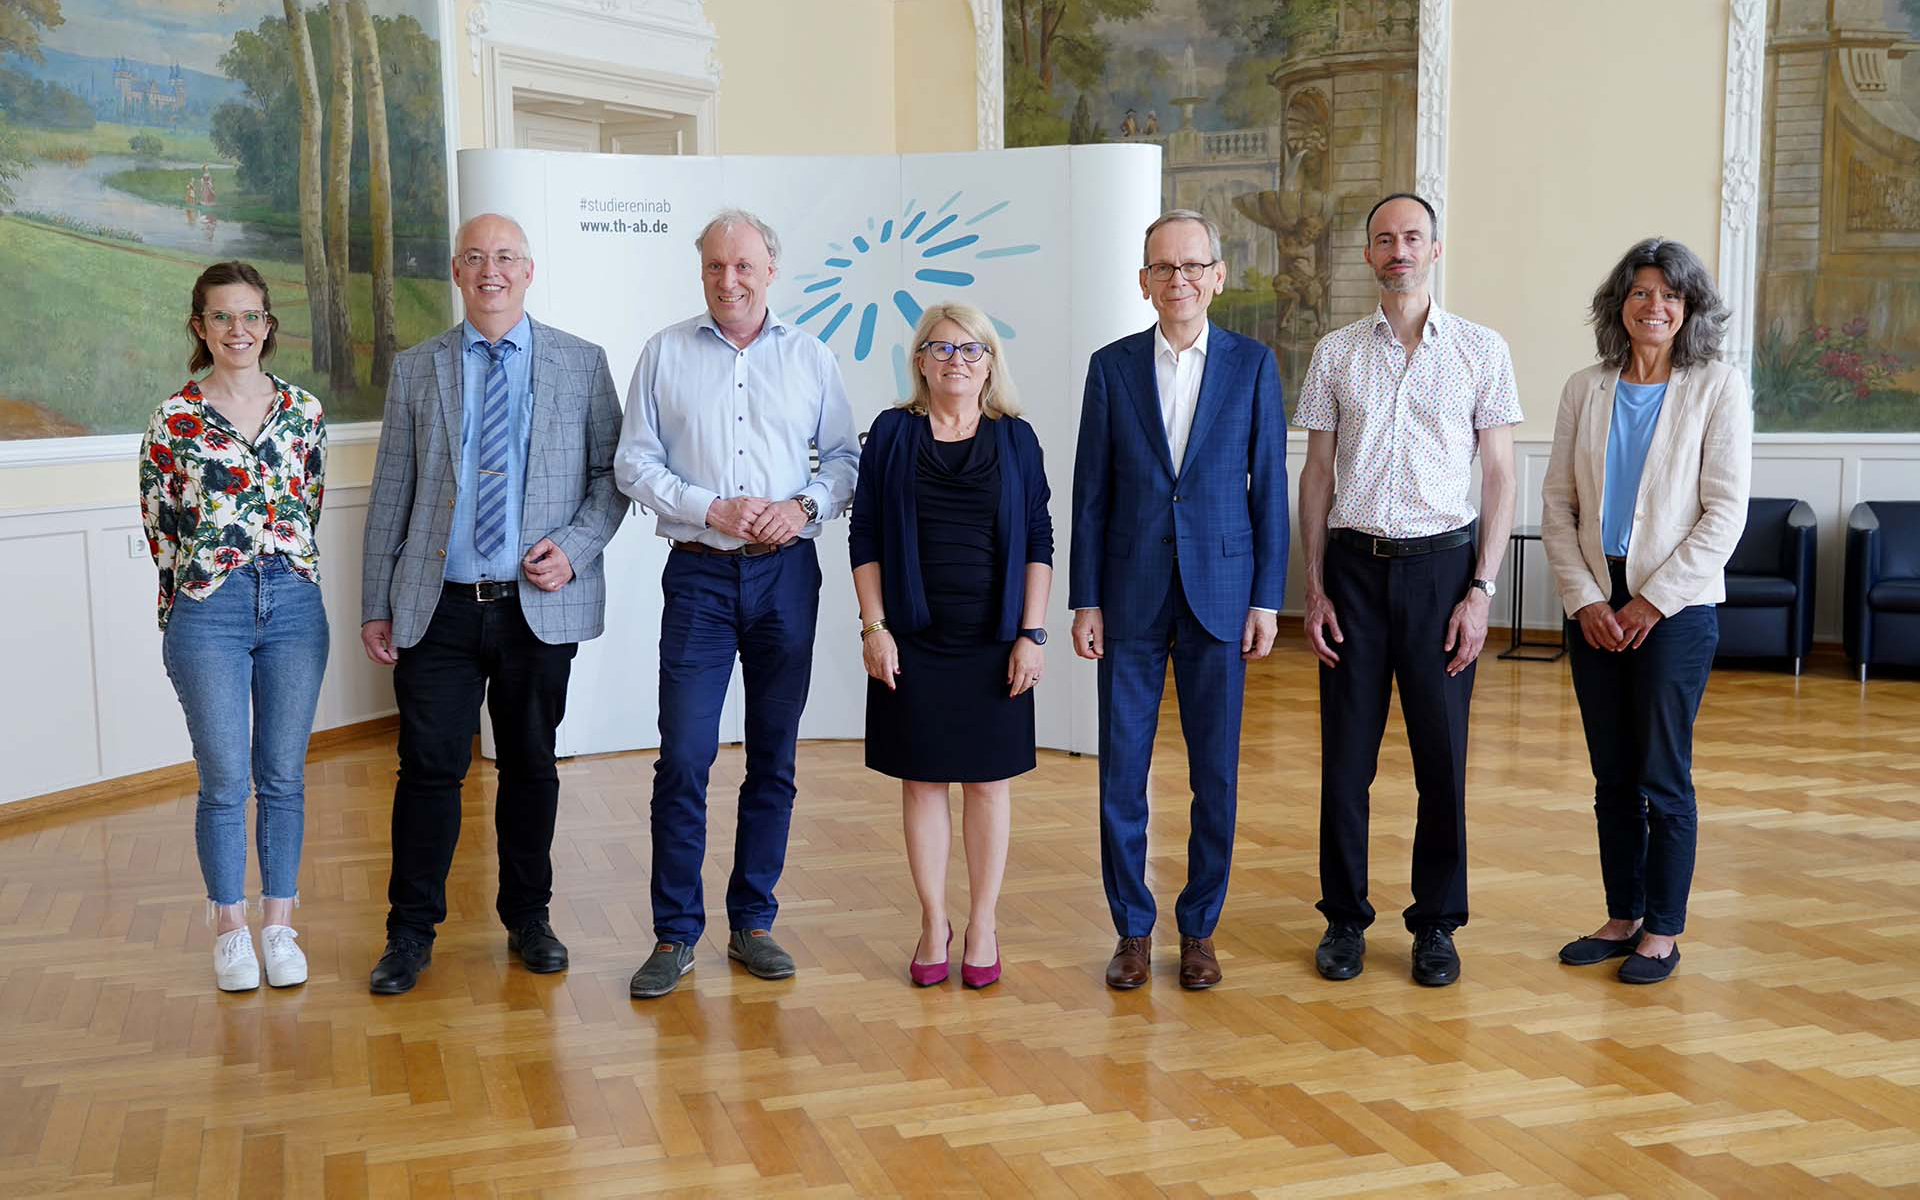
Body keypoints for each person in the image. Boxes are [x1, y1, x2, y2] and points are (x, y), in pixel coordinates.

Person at [359, 212, 627, 995]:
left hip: (536, 609)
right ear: (455, 269)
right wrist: (377, 601)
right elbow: (391, 496)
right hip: (436, 606)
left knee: (531, 766)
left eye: (506, 257)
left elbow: (613, 476)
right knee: (428, 770)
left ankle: (529, 918)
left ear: (529, 269)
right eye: (476, 258)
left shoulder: (582, 363)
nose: (491, 271)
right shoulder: (418, 368)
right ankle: (409, 934)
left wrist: (572, 550)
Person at [616, 208, 861, 1000]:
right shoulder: (664, 353)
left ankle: (753, 921)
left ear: (770, 271)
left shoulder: (812, 357)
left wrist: (803, 509)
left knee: (773, 756)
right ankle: (675, 933)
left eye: (744, 267)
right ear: (702, 273)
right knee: (685, 754)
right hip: (699, 574)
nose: (729, 280)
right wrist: (708, 506)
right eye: (716, 267)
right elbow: (633, 463)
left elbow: (847, 462)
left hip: (787, 575)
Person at [1295, 192, 1520, 988]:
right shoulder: (1336, 353)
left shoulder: (1482, 350)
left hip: (1442, 574)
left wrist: (1482, 590)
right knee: (1345, 763)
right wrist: (1314, 591)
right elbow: (1317, 475)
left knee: (1441, 761)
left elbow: (1497, 474)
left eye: (1412, 237)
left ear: (1435, 248)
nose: (1399, 249)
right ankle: (1344, 920)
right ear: (1368, 255)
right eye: (1384, 239)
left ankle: (1436, 926)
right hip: (1353, 573)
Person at [1070, 208, 1288, 991]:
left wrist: (1268, 598)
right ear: (1144, 282)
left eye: (1193, 266)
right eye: (1164, 268)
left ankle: (1199, 930)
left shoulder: (1254, 365)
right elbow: (1090, 493)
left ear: (1217, 277)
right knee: (1121, 775)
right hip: (1127, 597)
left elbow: (1271, 490)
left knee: (1215, 776)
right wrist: (1085, 599)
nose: (1179, 280)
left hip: (1222, 595)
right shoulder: (1111, 367)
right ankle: (1132, 930)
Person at [1541, 238, 1750, 985]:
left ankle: (1662, 929)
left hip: (1676, 610)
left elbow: (1723, 515)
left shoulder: (1717, 387)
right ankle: (1621, 915)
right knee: (1612, 777)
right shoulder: (1583, 388)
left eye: (1668, 294)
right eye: (1639, 292)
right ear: (1619, 306)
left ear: (1688, 307)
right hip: (1596, 606)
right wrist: (1587, 600)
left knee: (1664, 775)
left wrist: (1650, 604)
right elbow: (1558, 506)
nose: (1653, 305)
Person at [850, 302, 1053, 990]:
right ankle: (934, 920)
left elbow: (1039, 542)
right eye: (941, 348)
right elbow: (867, 537)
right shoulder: (891, 434)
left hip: (995, 642)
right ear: (920, 361)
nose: (956, 361)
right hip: (913, 639)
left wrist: (1031, 633)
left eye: (971, 350)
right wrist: (874, 628)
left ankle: (983, 922)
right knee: (923, 780)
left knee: (988, 784)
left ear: (991, 362)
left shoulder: (1017, 439)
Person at [140, 260, 329, 992]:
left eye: (251, 315)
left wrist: (284, 569)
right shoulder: (174, 418)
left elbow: (307, 504)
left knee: (282, 777)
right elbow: (160, 524)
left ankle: (279, 925)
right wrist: (179, 611)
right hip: (207, 609)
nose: (239, 330)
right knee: (224, 780)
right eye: (223, 317)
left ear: (268, 324)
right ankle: (230, 930)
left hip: (292, 603)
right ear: (201, 327)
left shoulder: (303, 412)